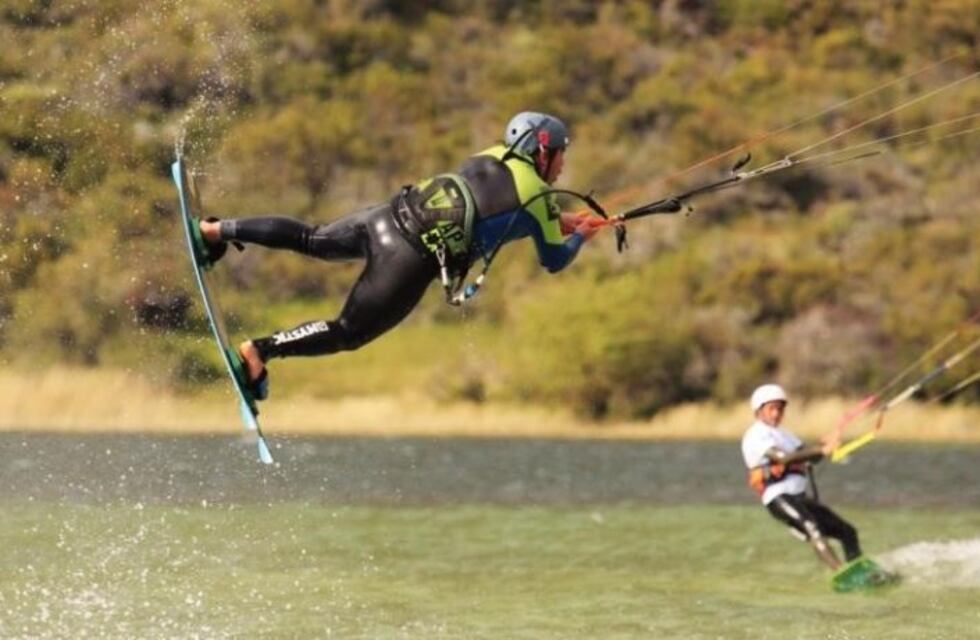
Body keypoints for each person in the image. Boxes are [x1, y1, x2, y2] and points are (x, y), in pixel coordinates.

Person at [188, 111, 605, 400]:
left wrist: (559, 220)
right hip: (407, 259)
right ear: (542, 150)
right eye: (562, 152)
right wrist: (580, 237)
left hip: (386, 216)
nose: (565, 163)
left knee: (313, 239)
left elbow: (498, 207)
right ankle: (260, 351)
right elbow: (553, 260)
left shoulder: (491, 156)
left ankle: (217, 230)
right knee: (348, 332)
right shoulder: (540, 197)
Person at [740, 383, 861, 571]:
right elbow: (783, 458)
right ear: (759, 410)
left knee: (848, 531)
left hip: (801, 498)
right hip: (778, 497)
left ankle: (859, 570)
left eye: (780, 409)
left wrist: (826, 446)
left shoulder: (785, 435)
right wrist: (821, 449)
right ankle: (840, 572)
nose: (776, 414)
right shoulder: (756, 434)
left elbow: (810, 459)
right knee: (811, 526)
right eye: (771, 409)